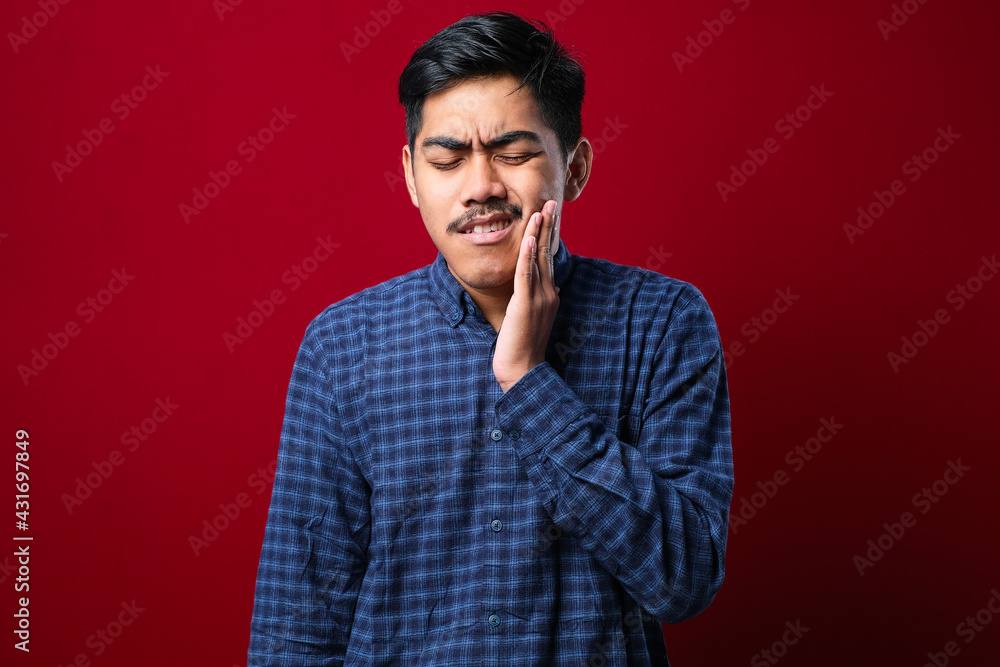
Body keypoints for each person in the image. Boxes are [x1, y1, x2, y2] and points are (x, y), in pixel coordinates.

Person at [248, 11, 733, 666]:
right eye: (447, 159)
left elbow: (685, 577)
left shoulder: (664, 320)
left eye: (513, 154)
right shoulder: (344, 346)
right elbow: (297, 623)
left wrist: (532, 383)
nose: (480, 187)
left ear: (576, 167)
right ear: (413, 176)